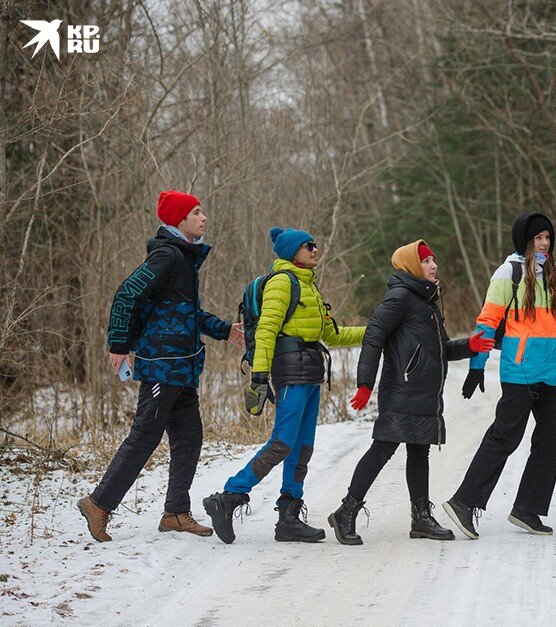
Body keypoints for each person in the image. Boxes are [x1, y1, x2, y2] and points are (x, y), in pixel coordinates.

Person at [442, 211, 556, 539]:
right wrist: (477, 367)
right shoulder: (507, 273)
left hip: (550, 373)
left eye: (548, 238)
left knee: (553, 441)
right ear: (524, 242)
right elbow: (487, 322)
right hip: (520, 371)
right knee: (505, 436)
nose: (544, 244)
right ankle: (464, 502)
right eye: (538, 238)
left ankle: (527, 509)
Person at [78, 190, 243, 542]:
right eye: (197, 213)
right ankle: (98, 504)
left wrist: (225, 330)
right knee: (145, 435)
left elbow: (186, 314)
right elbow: (126, 293)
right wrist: (119, 345)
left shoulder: (184, 258)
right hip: (162, 363)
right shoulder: (168, 255)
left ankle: (176, 513)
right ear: (179, 220)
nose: (204, 218)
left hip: (181, 365)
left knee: (189, 436)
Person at [203, 226, 365, 544]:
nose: (315, 249)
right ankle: (228, 497)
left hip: (311, 372)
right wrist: (260, 377)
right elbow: (266, 331)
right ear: (293, 252)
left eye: (315, 245)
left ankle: (288, 516)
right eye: (309, 246)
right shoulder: (282, 283)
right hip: (290, 372)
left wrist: (374, 332)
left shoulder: (310, 287)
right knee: (282, 443)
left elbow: (331, 335)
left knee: (302, 447)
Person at [328, 240, 495, 545]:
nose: (433, 266)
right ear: (412, 267)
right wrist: (365, 383)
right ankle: (346, 511)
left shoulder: (428, 302)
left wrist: (469, 347)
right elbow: (373, 337)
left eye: (433, 260)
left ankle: (421, 518)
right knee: (382, 450)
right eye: (426, 261)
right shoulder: (400, 297)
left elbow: (441, 350)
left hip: (424, 394)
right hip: (401, 390)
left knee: (419, 451)